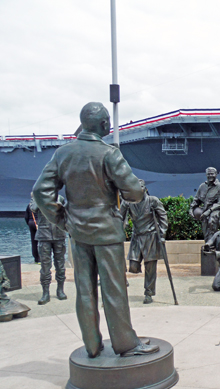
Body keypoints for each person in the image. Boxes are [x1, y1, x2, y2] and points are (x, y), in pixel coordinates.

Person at [32, 102, 158, 358]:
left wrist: (63, 220)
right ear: (103, 125)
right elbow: (134, 191)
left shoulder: (63, 153)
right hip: (107, 234)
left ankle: (92, 345)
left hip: (77, 233)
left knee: (85, 291)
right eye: (108, 122)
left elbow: (40, 192)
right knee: (113, 291)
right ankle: (126, 344)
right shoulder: (109, 153)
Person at [120, 179, 168, 304]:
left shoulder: (153, 201)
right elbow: (121, 218)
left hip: (151, 236)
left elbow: (163, 217)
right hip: (137, 237)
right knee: (133, 267)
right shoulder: (128, 202)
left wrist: (162, 234)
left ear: (145, 189)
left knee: (150, 268)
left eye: (140, 187)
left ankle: (149, 293)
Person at [31, 194, 68, 305]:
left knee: (60, 265)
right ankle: (45, 293)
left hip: (59, 235)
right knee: (45, 266)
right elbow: (33, 208)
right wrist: (41, 196)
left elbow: (66, 212)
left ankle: (60, 290)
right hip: (44, 235)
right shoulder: (37, 197)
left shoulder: (60, 198)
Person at [190, 167, 220, 242]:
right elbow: (196, 199)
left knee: (211, 221)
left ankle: (211, 244)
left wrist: (209, 211)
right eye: (208, 174)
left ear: (216, 174)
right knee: (204, 226)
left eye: (212, 174)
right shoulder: (202, 186)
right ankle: (208, 243)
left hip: (216, 210)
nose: (210, 175)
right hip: (205, 210)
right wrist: (191, 209)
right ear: (206, 175)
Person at [25, 194, 40, 263]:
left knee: (33, 242)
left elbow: (26, 217)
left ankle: (36, 259)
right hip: (39, 224)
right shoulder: (40, 204)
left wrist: (29, 223)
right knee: (41, 241)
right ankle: (41, 258)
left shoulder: (29, 205)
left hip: (31, 222)